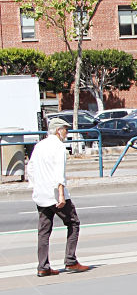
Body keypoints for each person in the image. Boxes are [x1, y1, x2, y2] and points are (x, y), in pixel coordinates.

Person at [26, 118, 92, 278]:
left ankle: (43, 266)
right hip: (55, 194)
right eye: (65, 129)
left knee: (43, 231)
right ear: (58, 130)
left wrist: (35, 186)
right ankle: (70, 261)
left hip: (41, 194)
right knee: (73, 223)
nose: (67, 133)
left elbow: (31, 168)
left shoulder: (39, 145)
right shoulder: (58, 147)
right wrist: (61, 194)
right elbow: (59, 172)